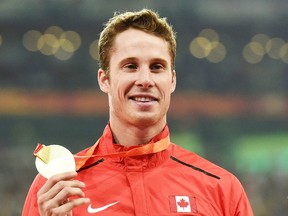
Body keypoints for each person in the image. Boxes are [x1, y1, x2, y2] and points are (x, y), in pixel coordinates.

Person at [22, 9, 254, 215]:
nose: (145, 80)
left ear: (172, 80)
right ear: (105, 80)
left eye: (157, 67)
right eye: (130, 66)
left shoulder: (221, 188)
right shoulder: (55, 187)